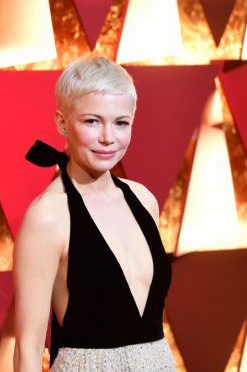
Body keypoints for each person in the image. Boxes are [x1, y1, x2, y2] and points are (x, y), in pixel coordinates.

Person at [13, 56, 174, 371]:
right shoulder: (48, 215)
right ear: (62, 123)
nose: (108, 138)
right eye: (92, 121)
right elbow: (28, 349)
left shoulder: (144, 200)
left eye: (121, 123)